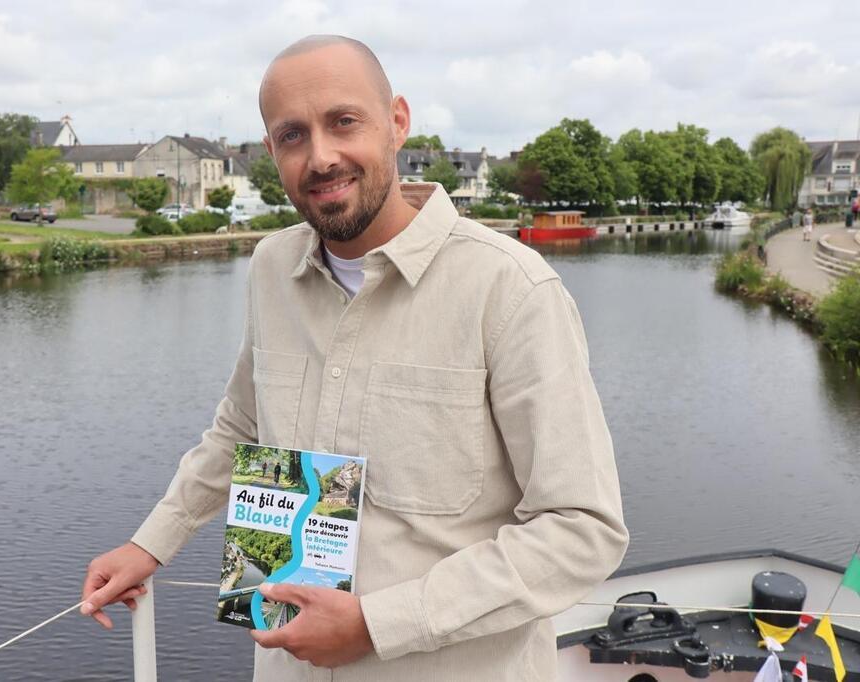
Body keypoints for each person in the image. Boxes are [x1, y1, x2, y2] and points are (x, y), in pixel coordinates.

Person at [81, 35, 628, 680]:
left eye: (344, 122)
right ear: (271, 153)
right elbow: (242, 429)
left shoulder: (510, 288)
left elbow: (582, 529)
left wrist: (376, 625)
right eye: (292, 135)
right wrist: (153, 541)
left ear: (397, 122)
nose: (321, 157)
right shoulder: (270, 268)